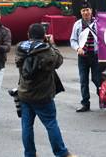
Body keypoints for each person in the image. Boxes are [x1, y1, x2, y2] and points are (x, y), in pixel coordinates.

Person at [15, 23, 74, 157]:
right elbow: (58, 61)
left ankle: (29, 154)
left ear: (28, 35)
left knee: (26, 126)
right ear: (44, 37)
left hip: (24, 93)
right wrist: (52, 43)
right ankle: (61, 153)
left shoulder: (20, 48)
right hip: (43, 96)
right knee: (51, 124)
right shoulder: (47, 51)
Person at [71, 2, 100, 113]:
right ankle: (85, 103)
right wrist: (78, 48)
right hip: (83, 57)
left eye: (87, 10)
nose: (86, 12)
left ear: (91, 11)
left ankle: (103, 97)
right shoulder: (77, 25)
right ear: (81, 12)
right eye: (83, 11)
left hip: (96, 55)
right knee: (83, 80)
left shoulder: (98, 23)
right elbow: (73, 40)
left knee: (97, 79)